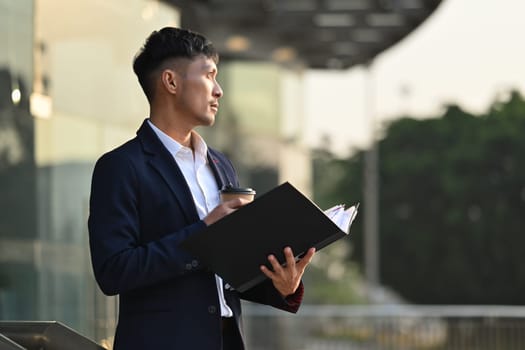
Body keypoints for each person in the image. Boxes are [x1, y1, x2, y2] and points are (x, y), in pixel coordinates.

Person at [87, 27, 316, 350]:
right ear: (171, 82)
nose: (219, 90)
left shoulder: (221, 165)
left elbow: (226, 274)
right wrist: (204, 234)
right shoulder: (122, 166)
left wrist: (282, 284)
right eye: (209, 75)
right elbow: (113, 271)